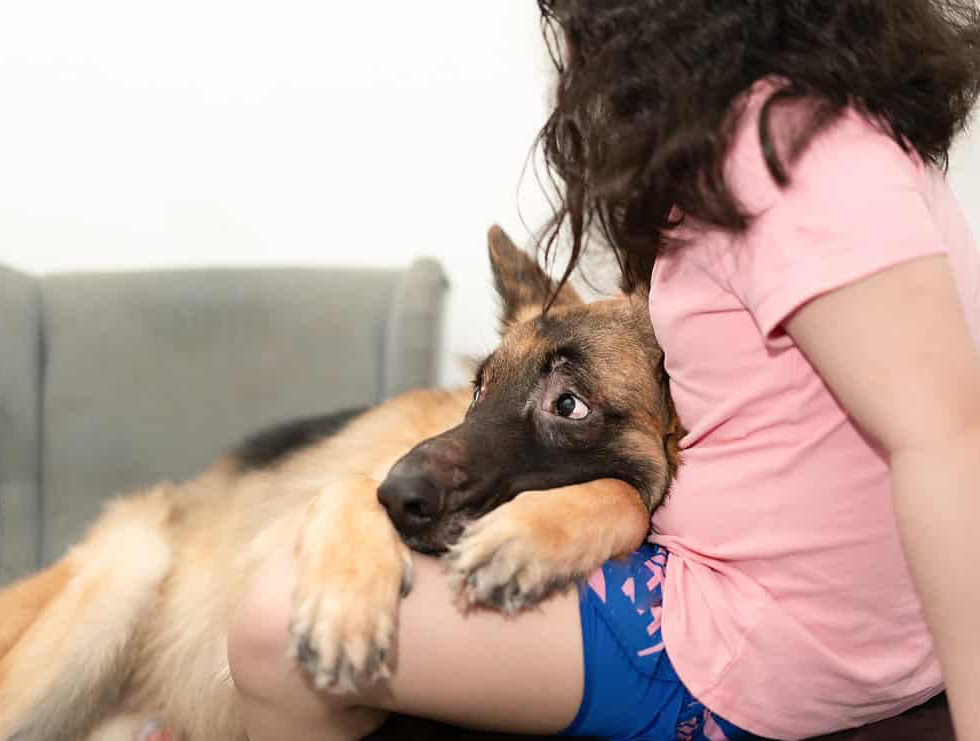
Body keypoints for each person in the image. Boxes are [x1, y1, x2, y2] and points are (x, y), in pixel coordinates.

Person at [225, 2, 980, 740]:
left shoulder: (785, 148)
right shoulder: (806, 128)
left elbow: (946, 439)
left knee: (270, 628)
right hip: (791, 613)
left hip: (765, 641)